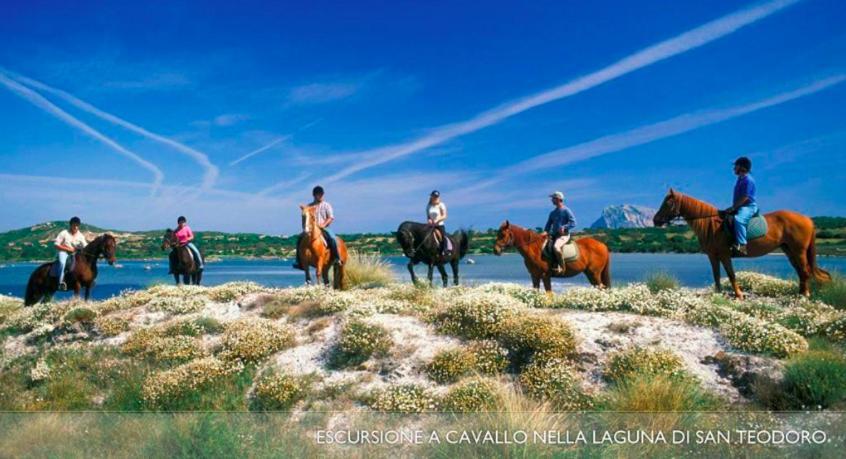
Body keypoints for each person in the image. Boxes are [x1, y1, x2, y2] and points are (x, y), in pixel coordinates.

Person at [293, 186, 342, 269]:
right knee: (299, 239)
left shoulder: (326, 205)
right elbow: (305, 217)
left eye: (321, 194)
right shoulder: (309, 206)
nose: (320, 196)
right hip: (311, 229)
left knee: (333, 238)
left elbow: (330, 217)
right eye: (318, 195)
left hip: (324, 228)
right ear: (314, 195)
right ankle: (299, 261)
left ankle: (336, 258)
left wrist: (323, 225)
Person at [723, 156, 758, 256]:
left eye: (736, 166)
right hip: (740, 206)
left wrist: (733, 208)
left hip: (748, 207)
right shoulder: (740, 179)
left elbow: (745, 197)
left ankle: (742, 246)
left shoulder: (748, 180)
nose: (734, 168)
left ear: (742, 167)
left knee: (739, 220)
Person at [543, 191, 577, 272]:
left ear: (558, 199)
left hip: (563, 235)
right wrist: (544, 233)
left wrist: (564, 227)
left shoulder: (566, 210)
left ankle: (562, 267)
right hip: (553, 236)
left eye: (553, 199)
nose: (551, 200)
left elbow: (574, 223)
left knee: (556, 247)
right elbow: (547, 227)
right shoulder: (552, 213)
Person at [54, 216, 88, 291]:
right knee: (62, 263)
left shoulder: (80, 236)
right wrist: (68, 249)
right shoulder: (64, 233)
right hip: (63, 253)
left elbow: (86, 246)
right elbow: (56, 245)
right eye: (74, 225)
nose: (76, 227)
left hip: (75, 254)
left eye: (77, 225)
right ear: (71, 225)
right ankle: (61, 282)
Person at [426, 190, 450, 255]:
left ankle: (445, 250)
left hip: (439, 224)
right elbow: (428, 216)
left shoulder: (441, 205)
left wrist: (438, 220)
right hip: (430, 225)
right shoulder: (428, 206)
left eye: (437, 196)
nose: (435, 197)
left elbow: (444, 215)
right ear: (431, 196)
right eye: (434, 196)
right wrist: (429, 220)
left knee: (443, 236)